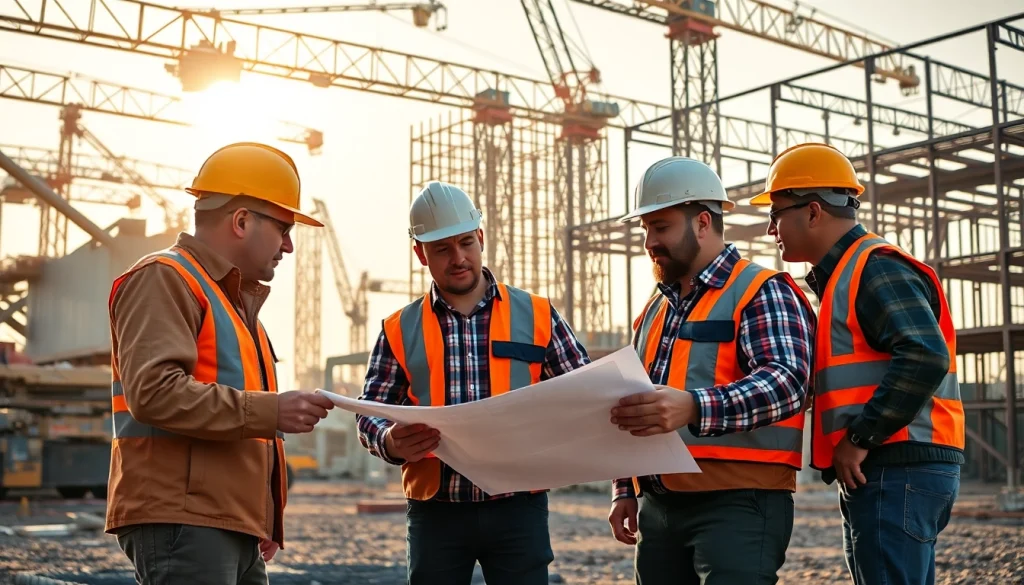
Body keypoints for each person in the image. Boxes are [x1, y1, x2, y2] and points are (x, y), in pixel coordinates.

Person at [105, 142, 337, 584]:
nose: (288, 246)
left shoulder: (234, 307)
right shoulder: (165, 277)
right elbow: (154, 394)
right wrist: (274, 410)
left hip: (230, 522)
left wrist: (262, 514)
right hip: (186, 518)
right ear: (242, 220)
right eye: (284, 228)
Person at [355, 181, 591, 585]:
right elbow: (369, 413)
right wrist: (390, 441)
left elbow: (587, 394)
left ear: (480, 237)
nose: (458, 258)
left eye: (466, 242)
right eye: (442, 249)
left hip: (519, 507)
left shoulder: (537, 314)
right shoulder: (399, 329)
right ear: (420, 253)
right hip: (437, 513)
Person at [750, 142, 965, 585]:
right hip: (893, 466)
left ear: (812, 212)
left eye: (776, 213)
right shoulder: (847, 275)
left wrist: (861, 436)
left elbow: (925, 353)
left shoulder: (873, 268)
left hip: (896, 463)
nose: (771, 228)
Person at [606, 156, 816, 585]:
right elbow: (634, 404)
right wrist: (626, 488)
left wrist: (694, 407)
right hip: (658, 507)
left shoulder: (761, 290)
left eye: (660, 227)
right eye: (645, 228)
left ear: (703, 222)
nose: (649, 241)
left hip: (739, 502)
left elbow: (788, 382)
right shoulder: (654, 310)